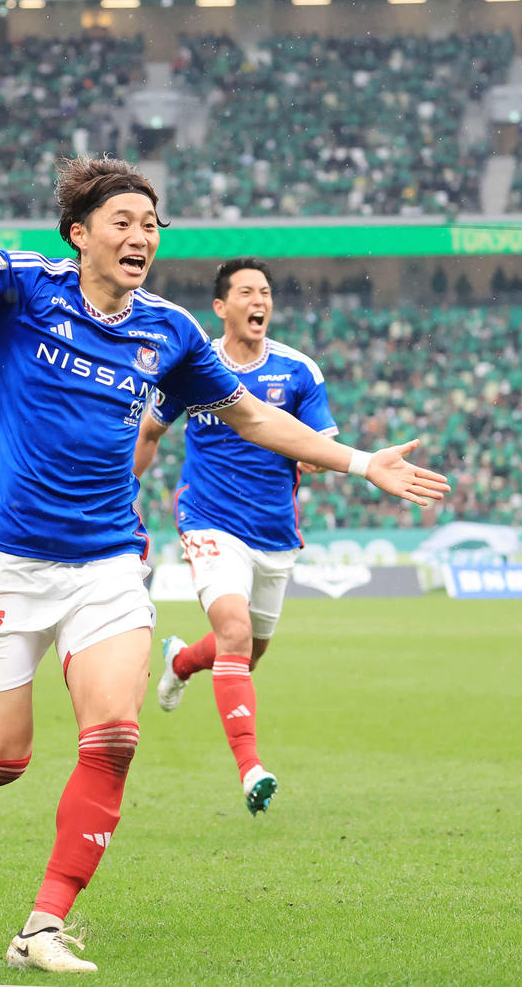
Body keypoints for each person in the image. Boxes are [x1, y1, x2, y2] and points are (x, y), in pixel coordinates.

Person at [0, 156, 449, 974]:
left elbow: (250, 415)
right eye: (123, 223)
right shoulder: (21, 288)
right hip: (2, 560)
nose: (141, 237)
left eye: (151, 225)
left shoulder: (170, 330)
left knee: (116, 735)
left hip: (107, 563)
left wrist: (361, 462)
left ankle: (42, 925)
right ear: (79, 234)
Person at [133, 257, 336, 815]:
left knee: (248, 652)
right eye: (246, 292)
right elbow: (150, 432)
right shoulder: (193, 367)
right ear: (221, 307)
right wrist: (122, 492)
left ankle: (181, 662)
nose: (259, 301)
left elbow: (321, 442)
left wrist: (318, 457)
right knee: (234, 630)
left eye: (265, 292)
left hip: (274, 531)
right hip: (209, 520)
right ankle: (251, 771)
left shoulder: (298, 370)